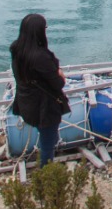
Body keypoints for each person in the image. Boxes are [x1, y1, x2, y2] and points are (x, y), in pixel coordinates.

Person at [9, 13, 70, 168]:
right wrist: (60, 75)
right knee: (49, 141)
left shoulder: (17, 50)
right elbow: (57, 84)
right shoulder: (40, 57)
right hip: (44, 108)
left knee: (45, 136)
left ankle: (44, 168)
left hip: (26, 102)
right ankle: (47, 172)